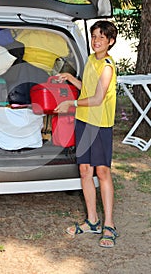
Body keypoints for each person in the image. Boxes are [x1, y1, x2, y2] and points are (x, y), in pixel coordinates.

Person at [54, 20, 119, 248]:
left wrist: (71, 103)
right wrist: (71, 79)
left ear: (110, 41)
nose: (96, 41)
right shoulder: (91, 60)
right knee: (84, 170)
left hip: (100, 124)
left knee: (102, 172)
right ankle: (92, 221)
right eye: (94, 37)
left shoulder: (108, 66)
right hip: (84, 121)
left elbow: (98, 98)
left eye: (101, 37)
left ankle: (108, 225)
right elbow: (88, 88)